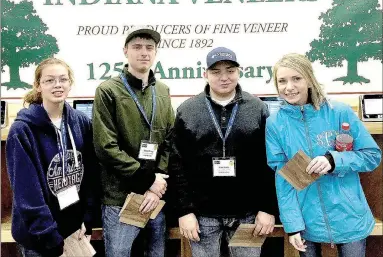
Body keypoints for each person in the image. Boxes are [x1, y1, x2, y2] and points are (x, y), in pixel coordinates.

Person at [266, 53, 382, 257]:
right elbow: (283, 178)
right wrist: (292, 225)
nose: (289, 87)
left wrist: (333, 160)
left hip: (350, 217)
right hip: (307, 221)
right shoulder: (275, 123)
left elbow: (371, 156)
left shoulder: (339, 112)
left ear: (309, 79)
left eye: (296, 78)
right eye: (282, 81)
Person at [169, 47, 278, 257]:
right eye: (216, 72)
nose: (224, 77)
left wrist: (268, 208)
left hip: (247, 214)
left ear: (239, 72)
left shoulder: (258, 108)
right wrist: (184, 211)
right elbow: (177, 164)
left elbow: (269, 163)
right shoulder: (187, 110)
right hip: (202, 216)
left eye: (230, 70)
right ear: (205, 74)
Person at [93, 26, 175, 257]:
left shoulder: (162, 90)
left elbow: (169, 140)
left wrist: (156, 185)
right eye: (137, 47)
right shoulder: (108, 90)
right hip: (120, 198)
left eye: (150, 48)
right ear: (125, 51)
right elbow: (105, 147)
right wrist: (148, 181)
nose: (144, 52)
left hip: (154, 199)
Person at [6, 58, 96, 257]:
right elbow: (27, 194)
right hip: (39, 237)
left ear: (70, 83)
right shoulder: (22, 130)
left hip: (73, 229)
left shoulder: (80, 122)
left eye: (63, 79)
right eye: (49, 80)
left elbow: (89, 174)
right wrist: (50, 238)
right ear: (38, 86)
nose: (57, 85)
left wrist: (86, 219)